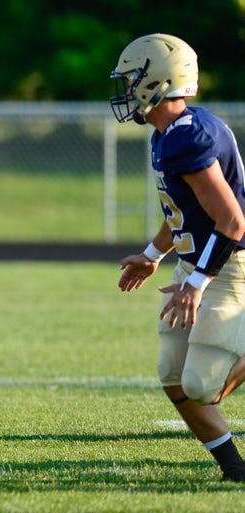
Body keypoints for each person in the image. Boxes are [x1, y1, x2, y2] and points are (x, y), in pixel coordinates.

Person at [111, 33, 245, 482]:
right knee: (172, 374)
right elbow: (186, 214)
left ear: (157, 79)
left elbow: (232, 222)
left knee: (202, 386)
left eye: (132, 80)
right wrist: (152, 255)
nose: (127, 90)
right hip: (198, 263)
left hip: (228, 268)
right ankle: (235, 469)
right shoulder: (169, 133)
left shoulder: (187, 137)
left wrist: (196, 283)